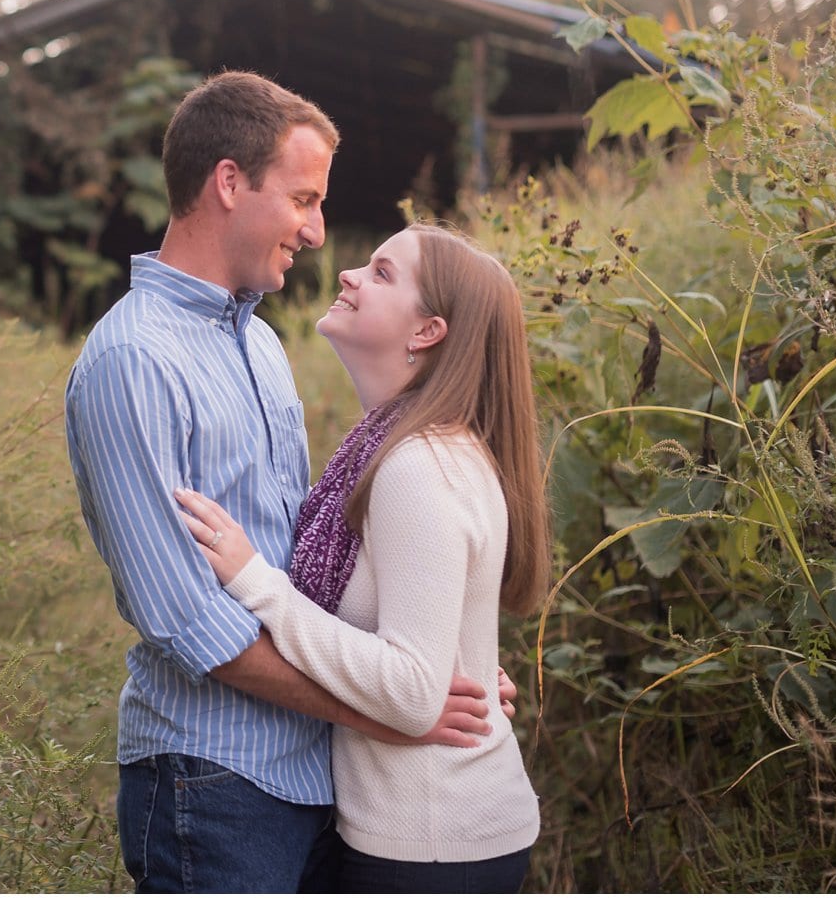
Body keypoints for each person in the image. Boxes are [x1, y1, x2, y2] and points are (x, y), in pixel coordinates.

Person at [64, 72, 504, 894]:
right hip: (215, 781)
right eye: (303, 198)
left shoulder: (262, 346)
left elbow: (314, 560)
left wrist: (448, 657)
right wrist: (395, 710)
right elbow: (192, 625)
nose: (316, 230)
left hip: (318, 776)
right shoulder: (133, 361)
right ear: (229, 182)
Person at [174, 223, 549, 891]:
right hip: (433, 828)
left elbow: (412, 691)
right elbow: (426, 650)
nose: (347, 274)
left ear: (426, 331)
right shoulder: (409, 450)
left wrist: (257, 582)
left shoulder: (417, 467)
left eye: (380, 273)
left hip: (431, 839)